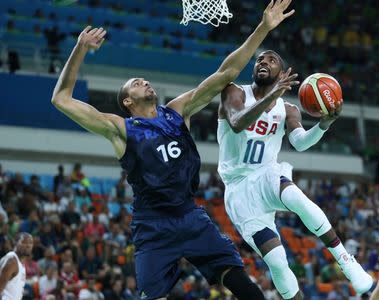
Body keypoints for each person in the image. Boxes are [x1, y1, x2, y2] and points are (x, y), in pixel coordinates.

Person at [51, 1, 295, 299]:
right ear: (128, 102)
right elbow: (61, 99)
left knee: (239, 280)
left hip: (190, 216)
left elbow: (226, 72)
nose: (145, 82)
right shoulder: (120, 129)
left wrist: (263, 28)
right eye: (136, 84)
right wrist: (80, 49)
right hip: (152, 226)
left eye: (145, 79)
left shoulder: (177, 111)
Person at [217, 50, 373, 299]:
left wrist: (323, 125)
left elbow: (299, 142)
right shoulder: (234, 91)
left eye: (272, 60)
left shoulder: (287, 108)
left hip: (266, 173)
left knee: (296, 198)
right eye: (260, 60)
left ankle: (346, 261)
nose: (264, 62)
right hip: (239, 189)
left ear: (282, 72)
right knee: (278, 261)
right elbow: (237, 123)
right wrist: (272, 94)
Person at [0, 232, 34, 299]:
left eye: (30, 243)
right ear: (15, 243)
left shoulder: (20, 262)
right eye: (24, 242)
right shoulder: (12, 261)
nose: (28, 245)